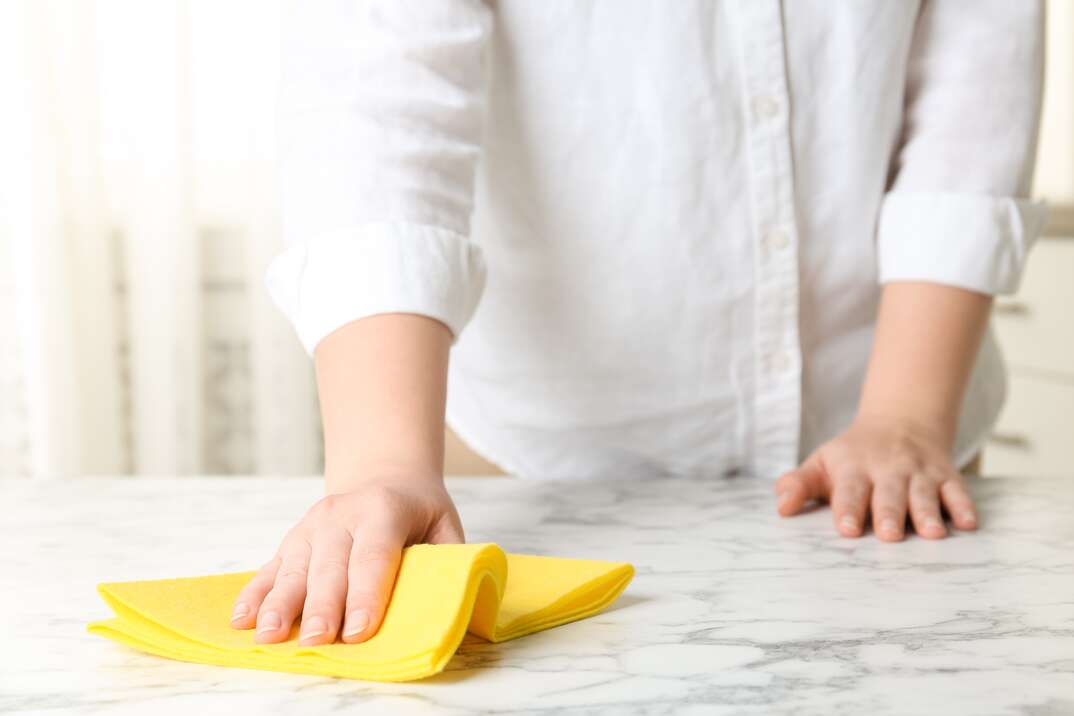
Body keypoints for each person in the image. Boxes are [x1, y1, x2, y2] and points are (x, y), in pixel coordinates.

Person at [228, 1, 1046, 648]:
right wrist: (383, 466)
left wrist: (905, 414)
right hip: (537, 453)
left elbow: (976, 98)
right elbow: (381, 118)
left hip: (896, 443)